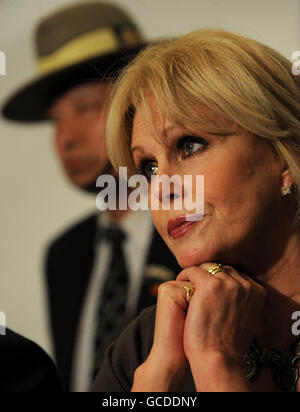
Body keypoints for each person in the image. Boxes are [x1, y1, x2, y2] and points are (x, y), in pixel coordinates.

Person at [91, 28, 300, 392]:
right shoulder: (144, 345)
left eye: (190, 146)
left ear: (283, 157)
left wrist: (215, 365)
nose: (162, 189)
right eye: (149, 168)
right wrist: (154, 382)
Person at [1, 2, 180, 392]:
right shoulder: (65, 254)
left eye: (85, 108)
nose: (66, 138)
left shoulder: (193, 228)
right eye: (56, 119)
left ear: (137, 104)